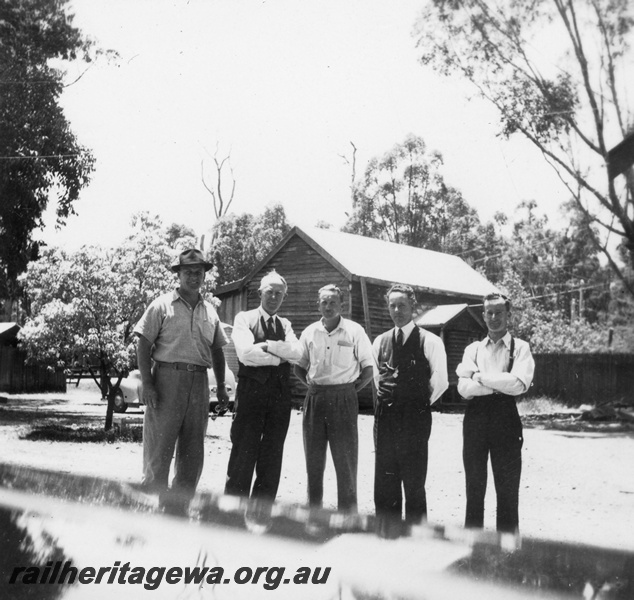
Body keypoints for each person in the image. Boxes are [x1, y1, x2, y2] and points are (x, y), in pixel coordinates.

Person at [133, 248, 229, 503]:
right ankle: (153, 504)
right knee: (159, 447)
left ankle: (179, 507)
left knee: (193, 449)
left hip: (198, 383)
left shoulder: (210, 311)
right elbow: (143, 345)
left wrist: (221, 387)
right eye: (188, 272)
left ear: (204, 275)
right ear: (179, 274)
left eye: (199, 272)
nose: (194, 277)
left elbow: (218, 351)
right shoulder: (161, 305)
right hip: (167, 380)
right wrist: (148, 384)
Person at [456, 293, 535, 533]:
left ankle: (508, 550)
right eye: (489, 313)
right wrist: (499, 382)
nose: (493, 318)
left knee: (507, 488)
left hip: (506, 421)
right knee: (474, 487)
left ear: (508, 315)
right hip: (475, 421)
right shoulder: (473, 349)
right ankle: (472, 546)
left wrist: (478, 377)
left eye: (499, 312)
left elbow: (518, 385)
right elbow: (463, 389)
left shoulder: (520, 348)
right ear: (483, 315)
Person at [372, 284, 448, 530]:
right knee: (385, 482)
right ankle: (387, 537)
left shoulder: (430, 341)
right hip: (385, 420)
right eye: (392, 305)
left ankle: (416, 542)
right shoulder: (380, 342)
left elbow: (440, 383)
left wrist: (415, 405)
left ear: (413, 307)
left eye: (402, 305)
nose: (397, 310)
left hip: (414, 419)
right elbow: (378, 380)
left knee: (414, 483)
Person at [294, 284, 374, 512]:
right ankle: (314, 512)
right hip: (316, 398)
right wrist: (310, 385)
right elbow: (299, 367)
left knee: (345, 459)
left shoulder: (354, 331)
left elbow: (369, 369)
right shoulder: (310, 332)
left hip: (344, 397)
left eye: (332, 302)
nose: (328, 307)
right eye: (324, 302)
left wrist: (349, 391)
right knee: (313, 459)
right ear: (318, 304)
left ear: (342, 305)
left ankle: (347, 514)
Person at [224, 270, 302, 501]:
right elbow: (246, 354)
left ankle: (261, 513)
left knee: (272, 455)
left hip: (279, 398)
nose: (274, 297)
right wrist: (280, 356)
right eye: (270, 292)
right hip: (251, 396)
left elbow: (297, 354)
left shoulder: (285, 324)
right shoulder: (244, 318)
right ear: (260, 293)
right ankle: (233, 514)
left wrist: (267, 345)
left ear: (284, 297)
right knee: (243, 453)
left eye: (279, 293)